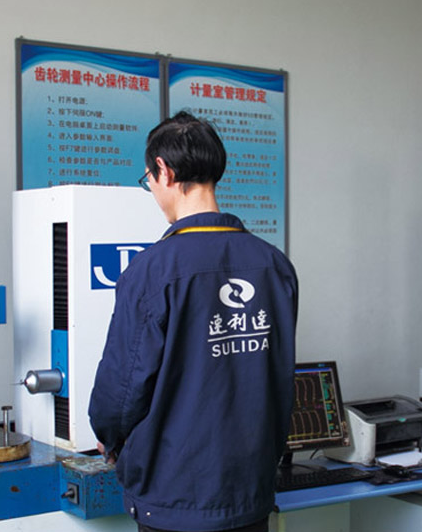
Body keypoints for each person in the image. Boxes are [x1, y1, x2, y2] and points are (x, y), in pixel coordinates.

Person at [88, 111, 298, 532]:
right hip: (251, 492)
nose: (151, 189)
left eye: (148, 178)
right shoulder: (274, 265)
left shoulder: (151, 271)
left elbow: (122, 391)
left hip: (175, 498)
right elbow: (278, 375)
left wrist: (109, 439)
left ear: (164, 170)